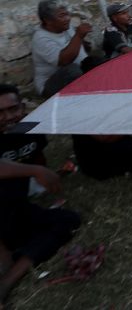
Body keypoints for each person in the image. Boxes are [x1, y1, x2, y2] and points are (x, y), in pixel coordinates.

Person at [0, 84, 81, 306]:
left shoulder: (30, 126)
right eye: (0, 112)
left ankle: (9, 278)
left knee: (69, 220)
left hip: (15, 207)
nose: (7, 117)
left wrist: (48, 176)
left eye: (13, 109)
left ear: (22, 107)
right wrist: (35, 171)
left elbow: (38, 158)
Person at [31, 0, 92, 98]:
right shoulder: (41, 39)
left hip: (77, 74)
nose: (68, 18)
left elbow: (74, 45)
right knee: (72, 70)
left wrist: (83, 43)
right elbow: (64, 61)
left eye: (67, 14)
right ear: (48, 20)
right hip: (50, 85)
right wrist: (79, 36)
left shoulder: (66, 27)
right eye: (62, 16)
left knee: (95, 62)